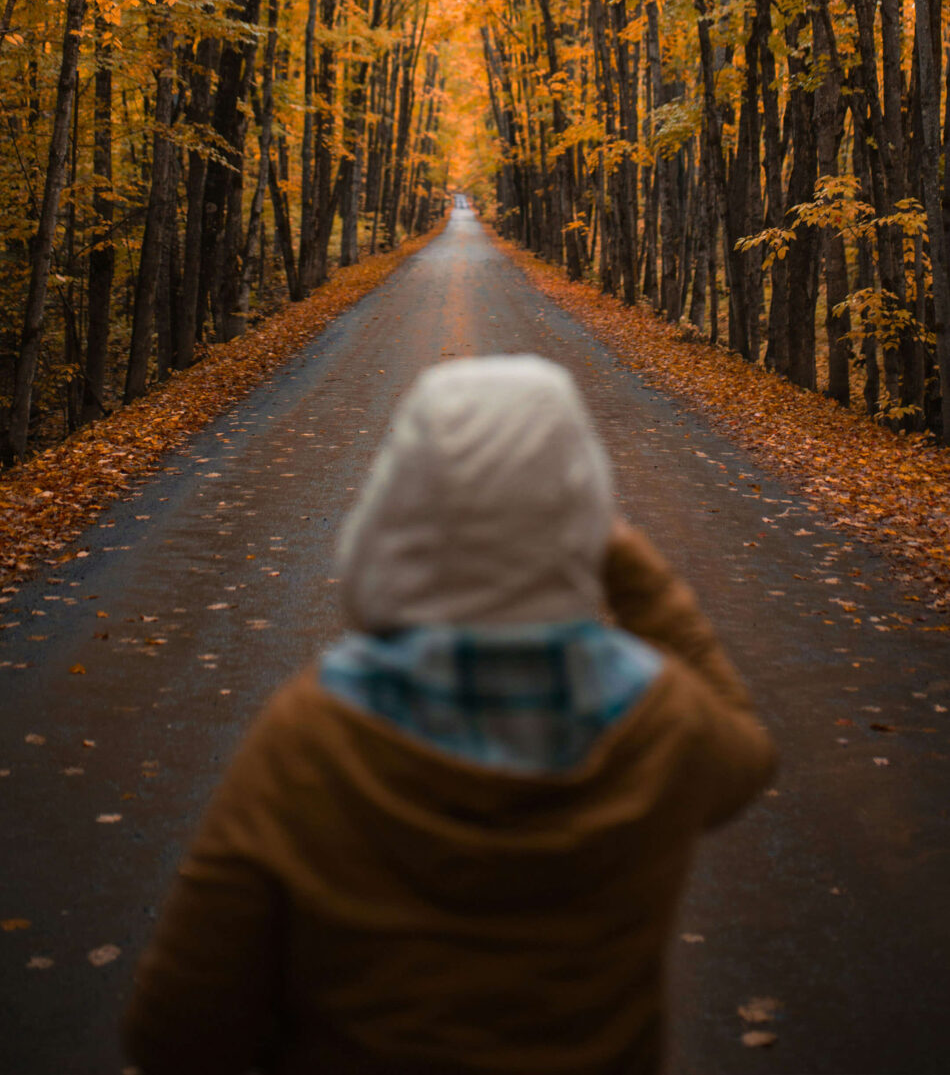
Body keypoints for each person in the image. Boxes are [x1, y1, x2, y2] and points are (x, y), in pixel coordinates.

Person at [124, 354, 776, 1075]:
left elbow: (179, 1029)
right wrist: (620, 557)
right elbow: (746, 756)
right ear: (583, 504)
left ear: (399, 509)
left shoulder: (313, 734)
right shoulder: (661, 719)